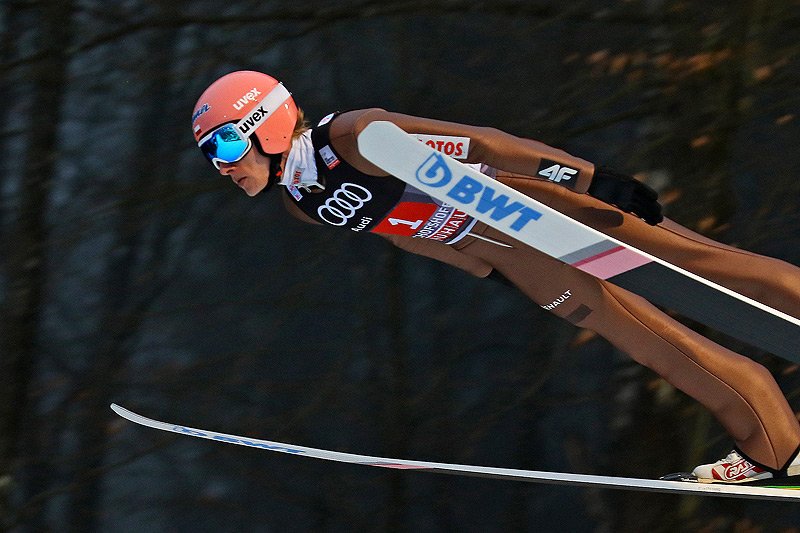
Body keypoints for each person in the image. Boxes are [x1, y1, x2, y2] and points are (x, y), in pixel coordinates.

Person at [191, 70, 800, 484]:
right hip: (514, 256)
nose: (220, 166)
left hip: (536, 208)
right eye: (207, 155)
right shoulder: (302, 199)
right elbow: (409, 234)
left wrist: (588, 179)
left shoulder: (354, 138)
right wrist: (488, 271)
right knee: (653, 343)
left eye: (222, 145)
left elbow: (483, 146)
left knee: (710, 268)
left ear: (262, 125)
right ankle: (776, 447)